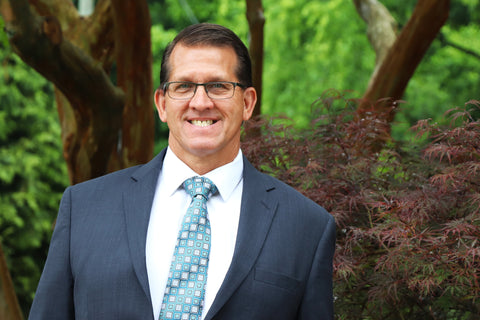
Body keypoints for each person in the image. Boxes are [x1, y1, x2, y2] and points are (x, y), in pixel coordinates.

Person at [28, 23, 336, 320]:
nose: (200, 103)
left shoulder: (306, 227)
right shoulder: (84, 208)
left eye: (218, 86)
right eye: (184, 86)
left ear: (247, 102)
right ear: (162, 104)